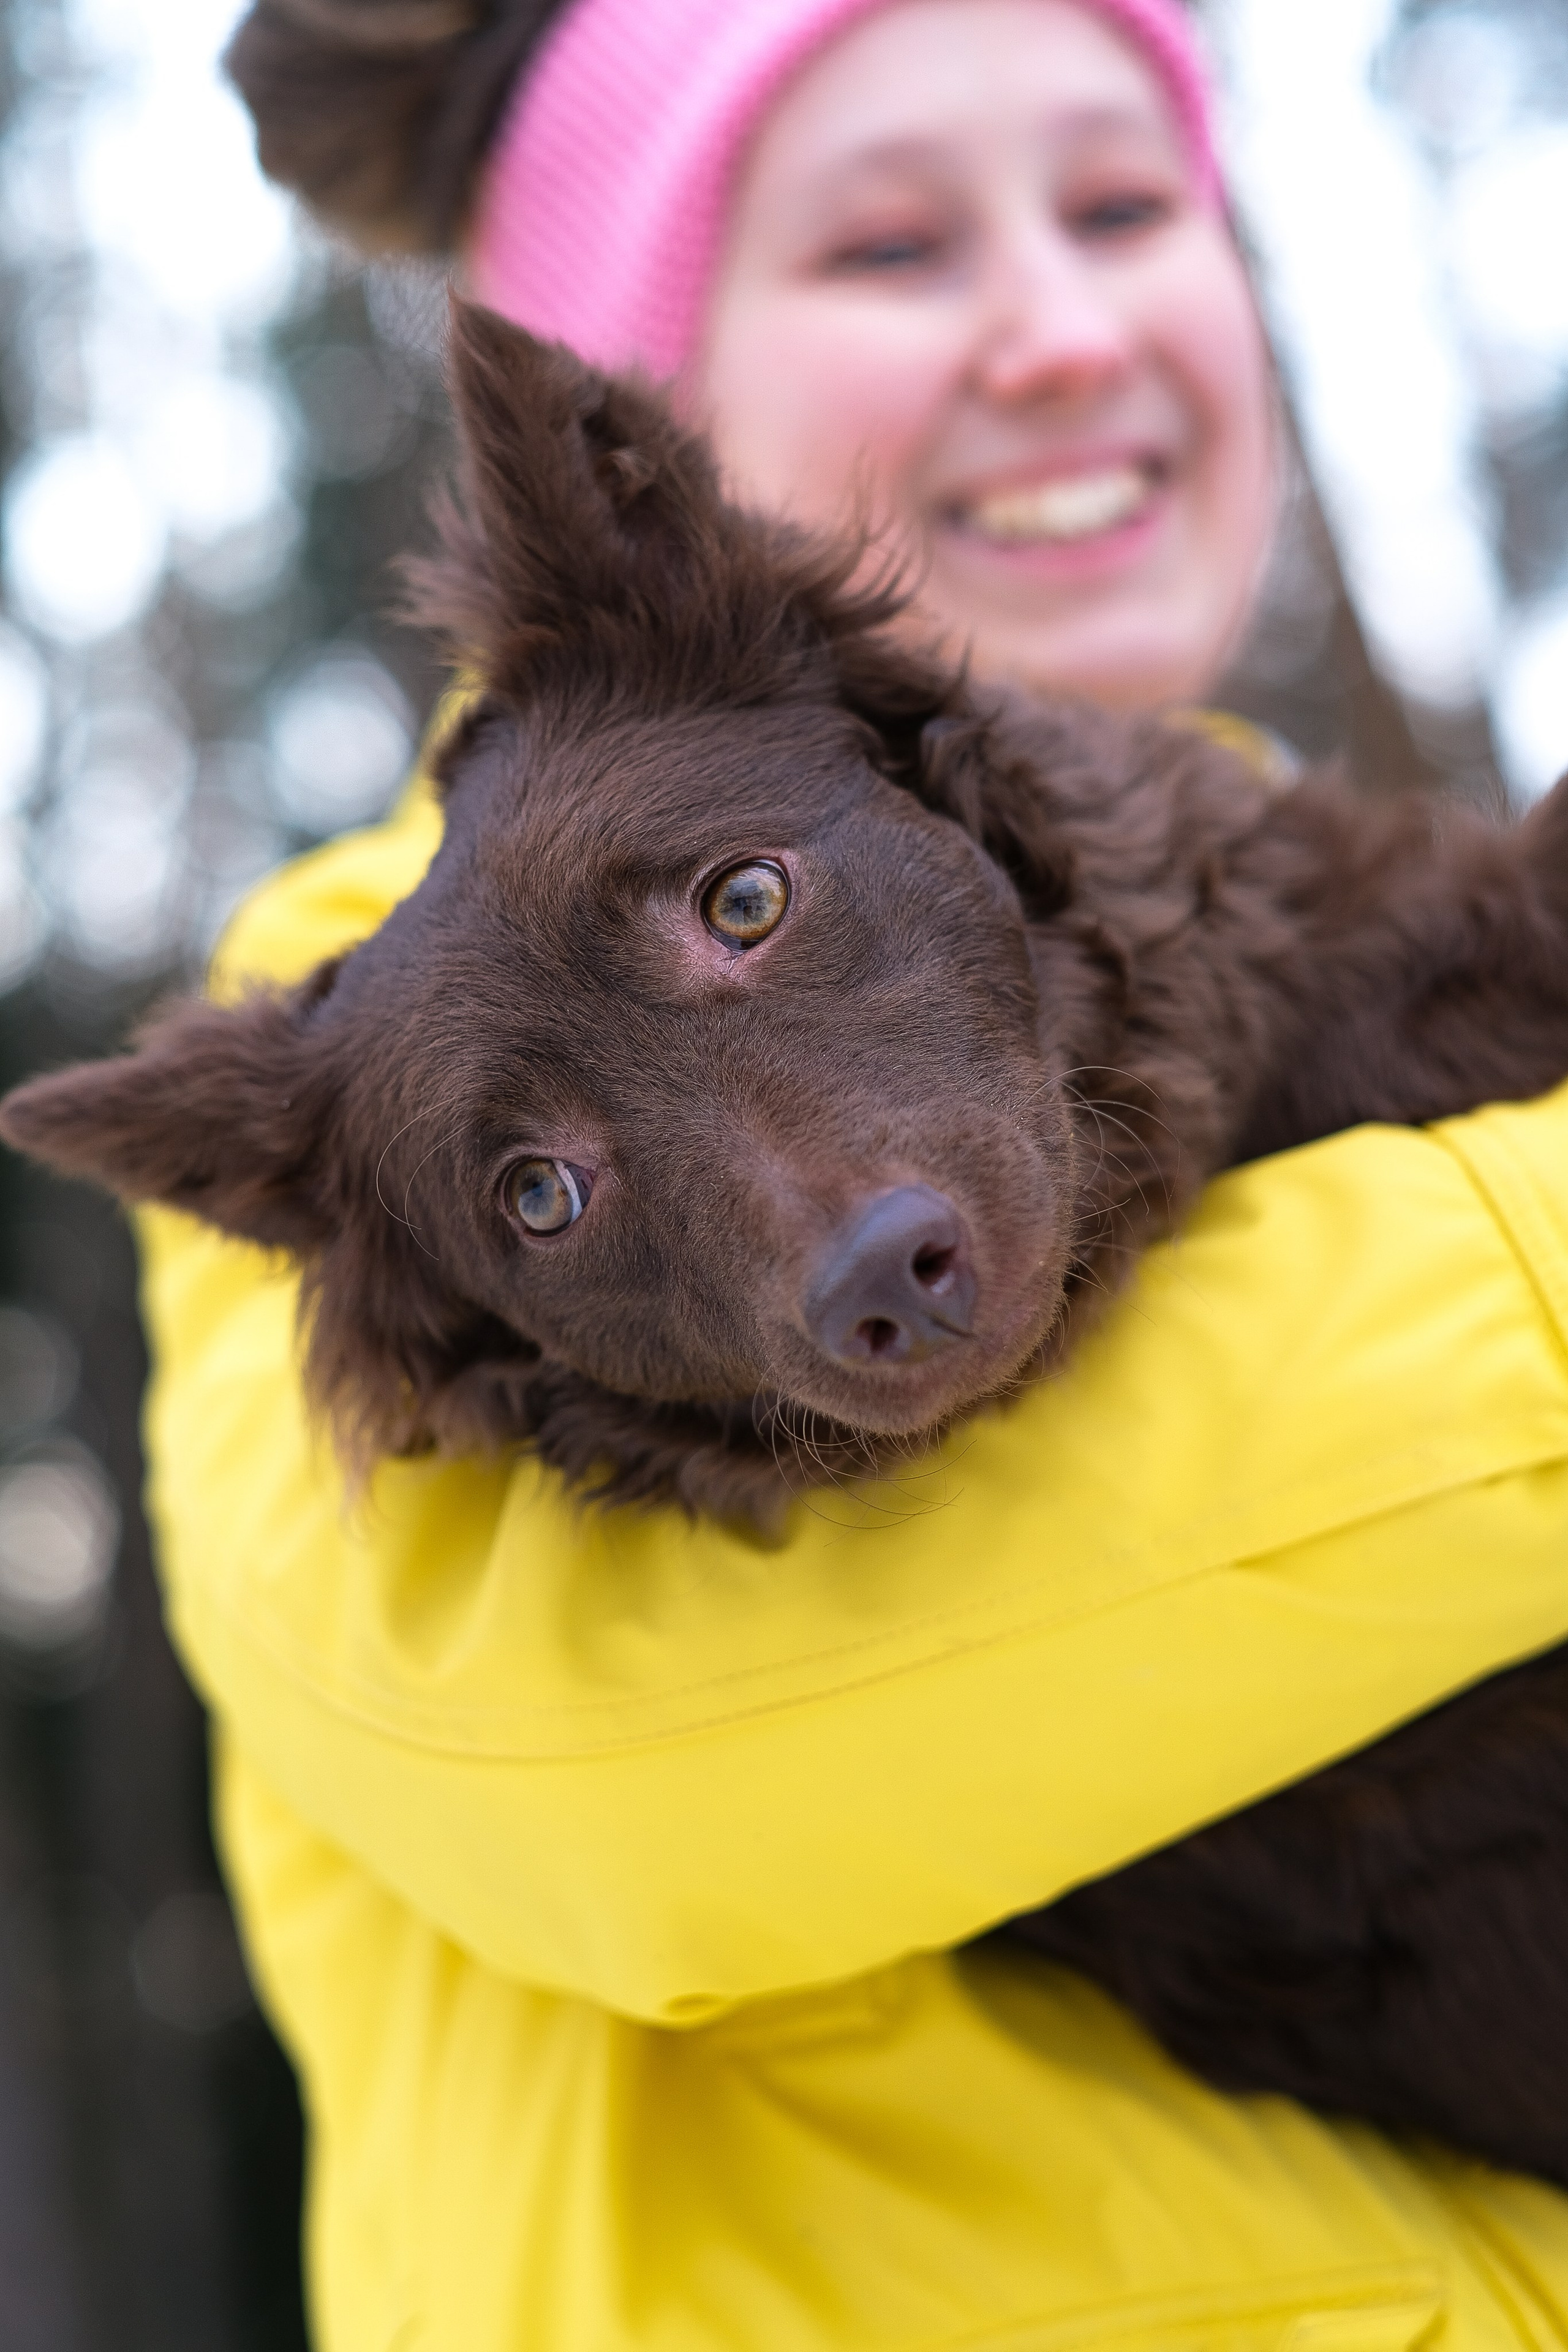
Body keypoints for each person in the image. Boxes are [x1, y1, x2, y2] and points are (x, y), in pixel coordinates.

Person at [141, 2, 1568, 2345]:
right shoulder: (349, 1026)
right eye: (893, 247)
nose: (1062, 324)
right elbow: (622, 1767)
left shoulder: (1300, 906)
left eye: (1125, 206)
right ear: (642, 454)